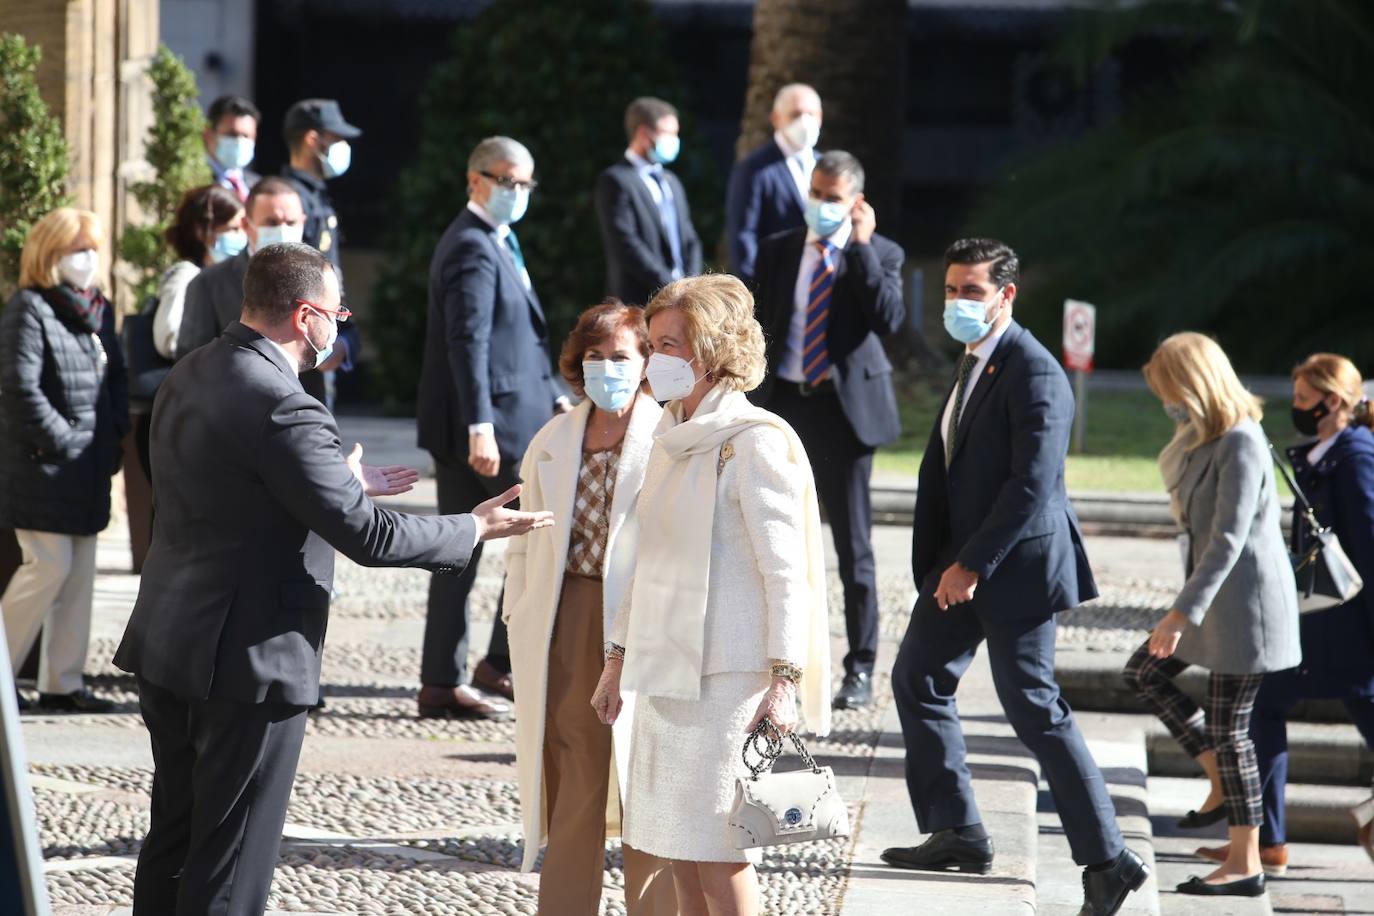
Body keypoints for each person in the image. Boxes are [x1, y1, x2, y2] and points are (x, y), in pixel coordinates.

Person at [112, 242, 552, 916]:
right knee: (229, 860)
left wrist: (330, 479)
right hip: (248, 661)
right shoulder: (287, 406)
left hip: (169, 641)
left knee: (174, 837)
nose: (340, 328)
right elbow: (369, 534)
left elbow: (206, 478)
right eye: (338, 314)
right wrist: (471, 529)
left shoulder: (192, 369)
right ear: (307, 314)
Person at [885, 239, 1148, 916]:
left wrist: (973, 564)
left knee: (1034, 707)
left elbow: (1032, 485)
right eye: (949, 290)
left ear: (1006, 295)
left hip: (1012, 569)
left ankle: (1108, 858)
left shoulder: (1034, 370)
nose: (956, 303)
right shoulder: (977, 360)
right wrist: (956, 560)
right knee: (918, 677)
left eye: (971, 291)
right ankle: (959, 831)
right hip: (961, 562)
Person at [591, 274, 831, 915]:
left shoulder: (755, 443)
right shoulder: (670, 437)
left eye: (669, 344)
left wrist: (784, 680)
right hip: (666, 677)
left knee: (723, 854)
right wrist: (616, 659)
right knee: (679, 853)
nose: (653, 358)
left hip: (730, 681)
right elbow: (647, 559)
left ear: (713, 350)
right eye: (653, 342)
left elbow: (787, 575)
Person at [504, 301, 676, 914]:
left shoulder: (671, 434)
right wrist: (517, 611)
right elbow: (524, 542)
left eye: (621, 357)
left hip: (646, 619)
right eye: (595, 357)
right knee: (574, 771)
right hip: (567, 615)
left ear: (648, 362)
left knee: (645, 779)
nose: (607, 369)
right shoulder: (553, 437)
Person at [1120, 332, 1300, 898]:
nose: (1165, 402)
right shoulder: (1207, 438)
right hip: (1217, 606)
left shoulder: (1241, 440)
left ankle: (1246, 860)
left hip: (1247, 611)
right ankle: (1222, 783)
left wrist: (1178, 615)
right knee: (1144, 674)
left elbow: (1226, 540)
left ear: (1194, 384)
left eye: (1170, 389)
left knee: (1231, 731)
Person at [1191, 353, 1374, 874]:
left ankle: (1267, 841)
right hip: (1319, 624)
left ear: (1331, 402)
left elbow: (1368, 545)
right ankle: (1265, 842)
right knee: (1262, 711)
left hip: (1348, 630)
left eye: (1301, 399)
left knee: (1272, 712)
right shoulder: (1324, 453)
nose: (1294, 407)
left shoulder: (1355, 456)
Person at [416, 136, 569, 718]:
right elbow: (469, 342)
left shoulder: (498, 240)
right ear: (475, 180)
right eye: (507, 181)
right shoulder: (472, 247)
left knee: (474, 547)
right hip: (487, 430)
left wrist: (552, 394)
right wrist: (479, 423)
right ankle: (471, 672)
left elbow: (518, 340)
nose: (517, 193)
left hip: (510, 416)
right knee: (519, 538)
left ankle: (464, 674)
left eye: (525, 184)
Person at [749, 150, 904, 710]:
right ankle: (777, 662)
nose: (820, 205)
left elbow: (888, 320)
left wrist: (859, 247)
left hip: (844, 412)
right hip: (786, 405)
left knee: (853, 549)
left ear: (856, 203)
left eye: (833, 197)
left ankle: (859, 668)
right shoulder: (779, 249)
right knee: (775, 540)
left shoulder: (880, 253)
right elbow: (758, 323)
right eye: (815, 193)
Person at [0, 208, 128, 712]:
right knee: (47, 568)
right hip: (43, 466)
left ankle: (62, 682)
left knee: (78, 575)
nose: (87, 259)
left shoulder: (99, 310)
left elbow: (115, 379)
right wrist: (62, 440)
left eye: (92, 248)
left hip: (88, 467)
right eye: (77, 249)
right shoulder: (28, 308)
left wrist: (112, 435)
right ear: (49, 254)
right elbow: (18, 389)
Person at [177, 177, 337, 403]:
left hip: (306, 411)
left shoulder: (324, 276)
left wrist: (334, 345)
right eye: (271, 223)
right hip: (236, 416)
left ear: (303, 222)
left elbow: (345, 327)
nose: (282, 230)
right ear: (246, 225)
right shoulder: (209, 283)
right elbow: (192, 364)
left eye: (291, 223)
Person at [280, 99, 362, 409]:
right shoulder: (288, 199)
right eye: (337, 139)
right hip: (301, 349)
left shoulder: (317, 195)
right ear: (313, 139)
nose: (342, 147)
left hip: (323, 343)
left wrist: (345, 339)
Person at [594, 97, 703, 306]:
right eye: (668, 133)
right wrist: (669, 285)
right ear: (644, 133)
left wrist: (692, 284)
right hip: (639, 301)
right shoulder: (616, 180)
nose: (674, 140)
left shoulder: (672, 181)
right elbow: (626, 244)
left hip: (682, 299)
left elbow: (690, 238)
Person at [724, 83, 822, 283]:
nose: (805, 121)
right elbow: (743, 235)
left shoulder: (824, 165)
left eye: (811, 114)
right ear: (776, 118)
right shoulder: (754, 169)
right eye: (795, 114)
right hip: (775, 284)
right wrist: (757, 289)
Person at [153, 184, 247, 361]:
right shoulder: (186, 275)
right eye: (233, 229)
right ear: (202, 232)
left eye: (244, 227)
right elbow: (168, 339)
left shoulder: (226, 277)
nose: (242, 236)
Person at [202, 95, 261, 202]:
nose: (239, 141)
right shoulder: (193, 181)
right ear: (208, 135)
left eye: (246, 136)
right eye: (231, 135)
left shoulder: (258, 186)